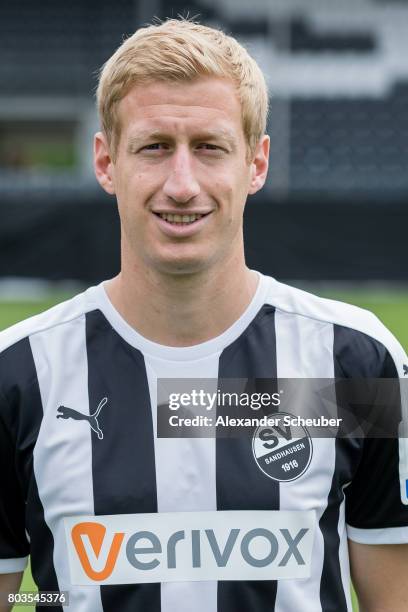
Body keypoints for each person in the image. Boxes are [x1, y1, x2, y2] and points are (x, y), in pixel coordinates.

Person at [0, 17, 407, 612]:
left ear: (257, 163)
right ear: (107, 162)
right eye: (155, 147)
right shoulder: (20, 374)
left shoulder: (356, 363)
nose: (182, 184)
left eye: (210, 148)